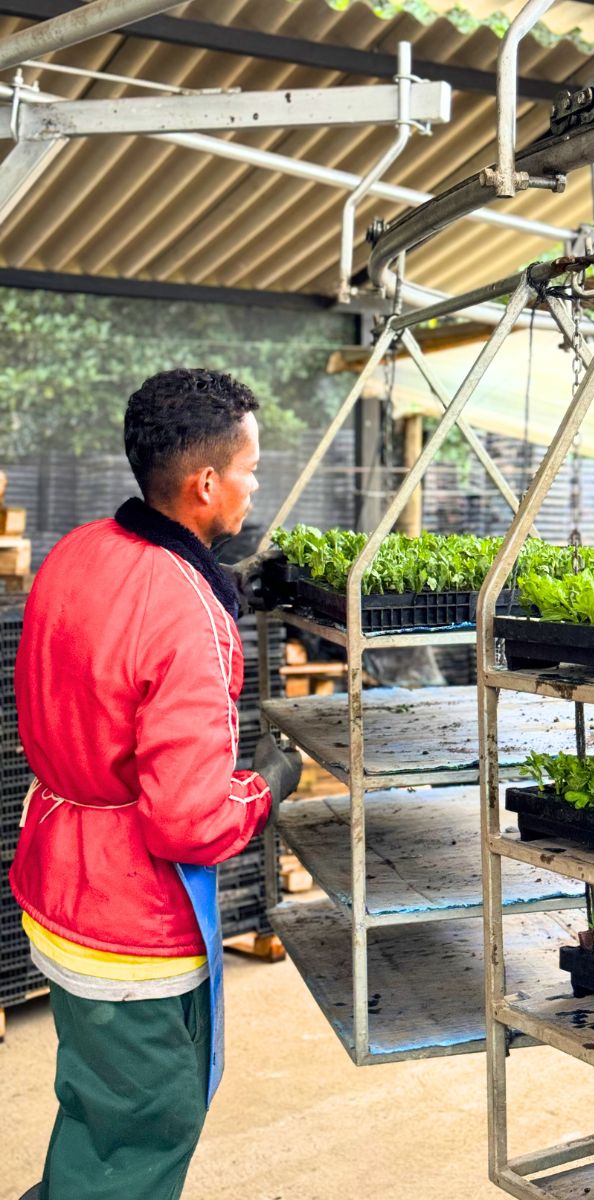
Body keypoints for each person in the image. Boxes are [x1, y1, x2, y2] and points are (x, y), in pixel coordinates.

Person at [10, 368, 300, 1200]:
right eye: (250, 468)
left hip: (54, 887)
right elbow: (189, 821)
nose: (255, 485)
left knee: (97, 1115)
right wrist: (267, 782)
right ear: (205, 484)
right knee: (141, 1142)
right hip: (130, 931)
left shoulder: (78, 550)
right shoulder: (187, 611)